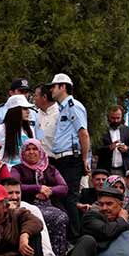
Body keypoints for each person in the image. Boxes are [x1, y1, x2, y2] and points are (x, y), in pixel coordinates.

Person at [9, 139, 69, 256]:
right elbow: (15, 185)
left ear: (40, 151)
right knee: (43, 216)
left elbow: (64, 187)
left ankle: (58, 254)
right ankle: (41, 253)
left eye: (34, 149)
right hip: (29, 204)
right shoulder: (17, 169)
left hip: (50, 204)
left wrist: (49, 191)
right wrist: (37, 188)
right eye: (28, 149)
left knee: (62, 216)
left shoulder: (50, 169)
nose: (31, 152)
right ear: (23, 153)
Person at [48, 73, 90, 239]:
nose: (51, 90)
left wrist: (84, 158)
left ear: (62, 87)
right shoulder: (63, 107)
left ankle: (75, 237)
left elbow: (83, 133)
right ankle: (69, 235)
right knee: (63, 197)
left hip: (71, 157)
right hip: (63, 158)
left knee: (70, 198)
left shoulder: (73, 105)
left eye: (54, 86)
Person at [1, 178, 58, 256]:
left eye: (17, 192)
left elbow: (43, 236)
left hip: (27, 254)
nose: (14, 197)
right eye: (10, 193)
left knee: (35, 234)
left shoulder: (31, 209)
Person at [0, 95, 35, 166]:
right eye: (24, 109)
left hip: (27, 171)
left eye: (28, 108)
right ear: (15, 110)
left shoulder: (30, 130)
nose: (28, 112)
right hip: (7, 171)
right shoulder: (0, 130)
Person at [96, 105, 129, 175]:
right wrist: (109, 148)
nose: (116, 120)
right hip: (105, 170)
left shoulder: (128, 130)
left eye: (118, 118)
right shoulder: (101, 130)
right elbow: (94, 149)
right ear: (108, 117)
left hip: (123, 170)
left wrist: (127, 149)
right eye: (113, 118)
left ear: (122, 117)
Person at [34, 85, 58, 156]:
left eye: (36, 96)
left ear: (44, 97)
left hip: (55, 159)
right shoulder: (35, 114)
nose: (34, 99)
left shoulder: (59, 114)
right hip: (38, 159)